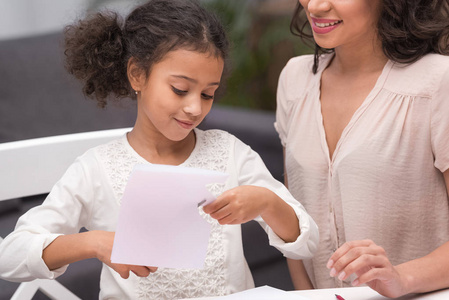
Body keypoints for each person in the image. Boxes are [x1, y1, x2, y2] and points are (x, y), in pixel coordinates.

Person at [0, 0, 319, 299]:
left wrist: (266, 202)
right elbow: (10, 256)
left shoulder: (230, 153)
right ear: (137, 74)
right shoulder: (96, 169)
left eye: (208, 94)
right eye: (180, 90)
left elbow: (307, 241)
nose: (195, 108)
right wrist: (93, 243)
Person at [275, 0, 449, 298]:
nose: (315, 6)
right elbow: (294, 223)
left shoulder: (438, 83)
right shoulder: (294, 79)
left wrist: (401, 278)